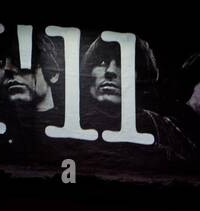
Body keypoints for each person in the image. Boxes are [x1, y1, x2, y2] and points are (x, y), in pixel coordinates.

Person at [81, 34, 192, 162]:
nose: (110, 71)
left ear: (140, 76)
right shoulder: (62, 121)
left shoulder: (163, 129)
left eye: (123, 63)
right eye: (102, 63)